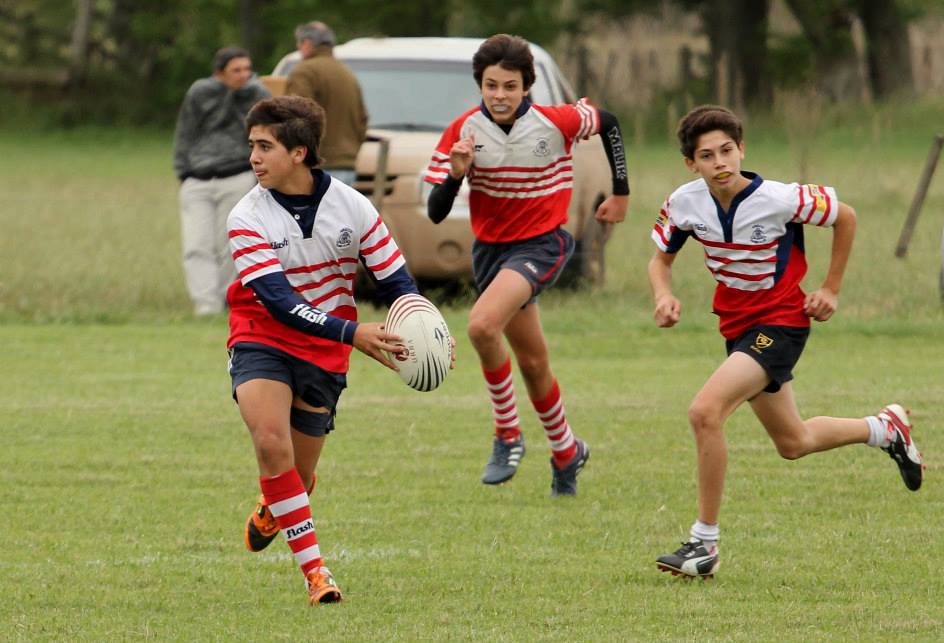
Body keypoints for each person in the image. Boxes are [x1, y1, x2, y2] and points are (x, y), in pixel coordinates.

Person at [648, 105, 925, 579]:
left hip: (781, 323)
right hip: (736, 328)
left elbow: (847, 216)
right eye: (707, 155)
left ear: (742, 150)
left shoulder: (779, 198)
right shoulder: (684, 202)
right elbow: (661, 259)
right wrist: (664, 294)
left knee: (704, 411)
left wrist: (831, 288)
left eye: (727, 150)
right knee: (793, 442)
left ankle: (704, 544)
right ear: (691, 164)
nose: (721, 162)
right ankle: (884, 429)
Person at [227, 95, 421, 605]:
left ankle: (276, 505)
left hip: (324, 352)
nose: (253, 158)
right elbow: (279, 301)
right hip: (262, 334)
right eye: (252, 146)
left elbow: (396, 280)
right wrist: (354, 334)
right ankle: (317, 575)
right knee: (272, 444)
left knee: (301, 473)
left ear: (299, 152)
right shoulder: (246, 216)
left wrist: (424, 332)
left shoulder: (352, 206)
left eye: (265, 146)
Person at [425, 34, 630, 496]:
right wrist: (457, 174)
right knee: (534, 363)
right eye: (491, 85)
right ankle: (566, 450)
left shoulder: (554, 121)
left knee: (480, 327)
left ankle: (507, 433)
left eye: (510, 86)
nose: (500, 95)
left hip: (542, 244)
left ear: (526, 87)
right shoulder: (463, 132)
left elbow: (610, 123)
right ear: (480, 84)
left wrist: (621, 193)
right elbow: (436, 212)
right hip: (492, 252)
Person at [173, 47, 271, 316]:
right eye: (236, 70)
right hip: (198, 177)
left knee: (229, 243)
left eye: (246, 69)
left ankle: (229, 299)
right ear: (219, 73)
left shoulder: (257, 94)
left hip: (236, 175)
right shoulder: (200, 93)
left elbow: (265, 133)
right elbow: (186, 131)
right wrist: (183, 170)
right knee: (197, 244)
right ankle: (206, 304)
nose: (244, 75)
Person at [285, 22, 367, 185]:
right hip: (347, 165)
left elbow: (294, 116)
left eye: (299, 43)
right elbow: (362, 120)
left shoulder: (304, 71)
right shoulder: (347, 73)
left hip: (315, 165)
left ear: (307, 43)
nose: (298, 47)